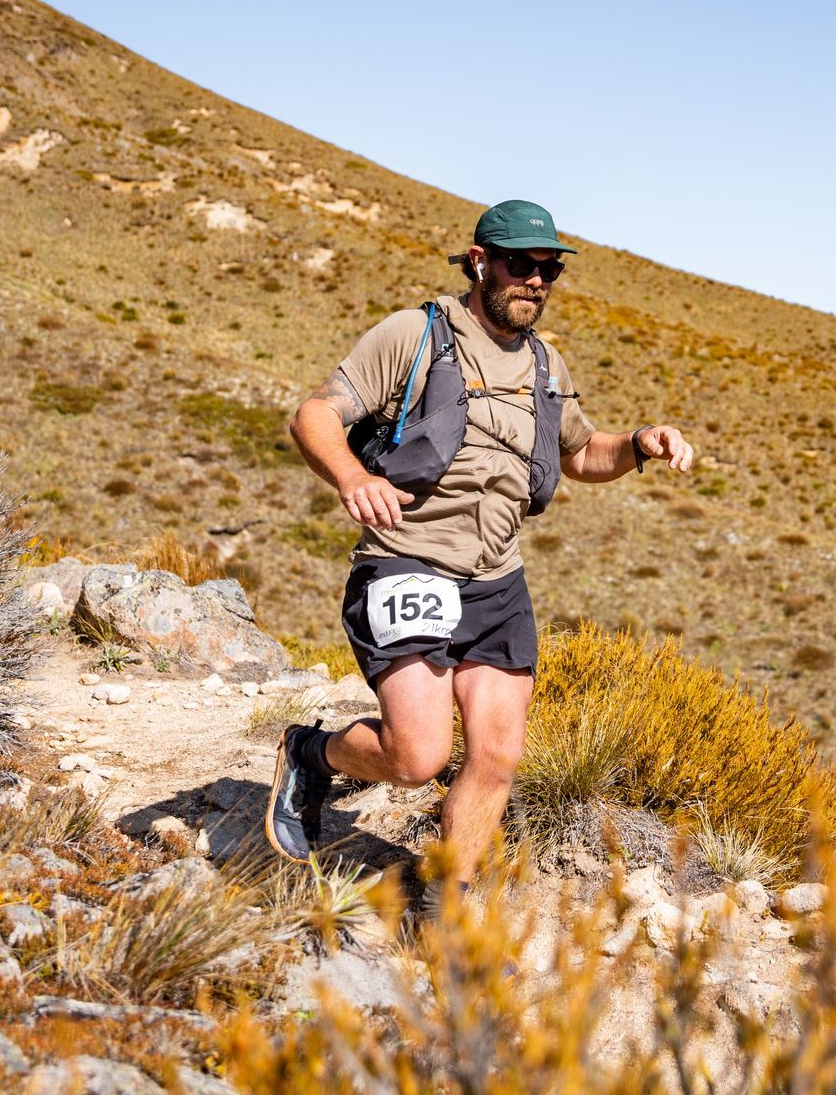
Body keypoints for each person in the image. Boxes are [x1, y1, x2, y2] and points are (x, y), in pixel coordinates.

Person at [267, 199, 695, 886]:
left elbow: (583, 455)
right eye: (519, 264)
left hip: (497, 582)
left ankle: (446, 910)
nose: (535, 280)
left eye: (549, 269)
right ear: (478, 262)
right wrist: (350, 475)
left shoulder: (546, 363)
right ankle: (311, 753)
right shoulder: (416, 334)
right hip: (408, 562)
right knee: (417, 758)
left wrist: (641, 444)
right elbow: (316, 413)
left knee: (496, 756)